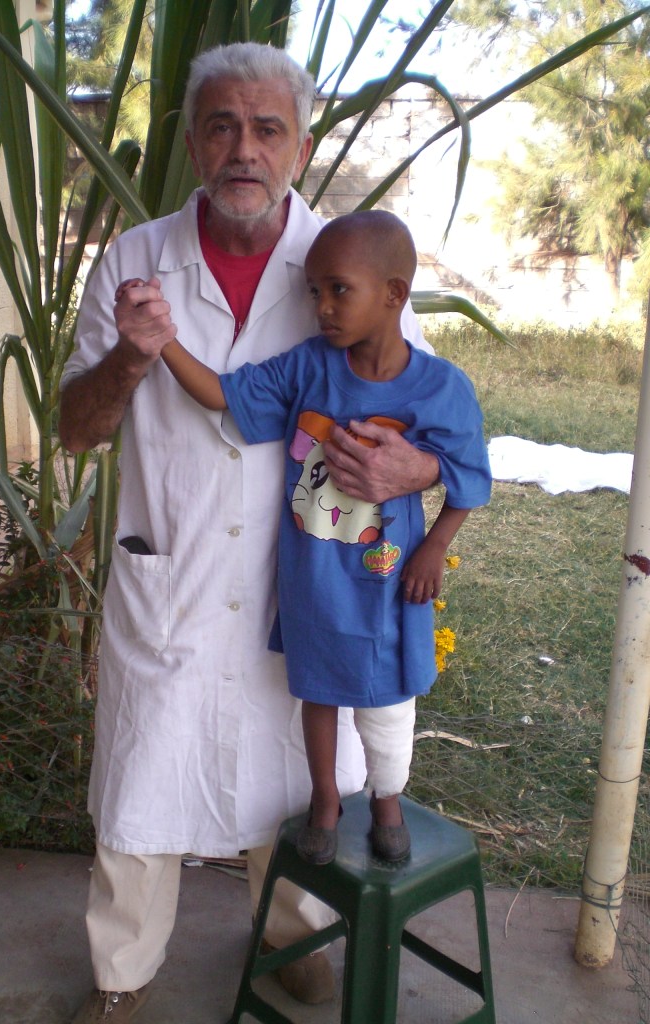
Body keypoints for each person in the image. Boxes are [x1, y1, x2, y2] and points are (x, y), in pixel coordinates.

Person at [59, 42, 440, 1024]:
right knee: (142, 778)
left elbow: (435, 415)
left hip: (308, 584)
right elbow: (76, 429)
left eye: (268, 129)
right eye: (222, 126)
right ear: (193, 143)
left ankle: (293, 936)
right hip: (174, 574)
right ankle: (121, 972)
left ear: (300, 148)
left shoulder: (348, 261)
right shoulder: (134, 261)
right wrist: (131, 361)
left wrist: (414, 470)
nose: (245, 149)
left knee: (298, 776)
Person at [143, 209, 491, 868]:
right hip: (315, 578)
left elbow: (470, 477)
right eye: (314, 291)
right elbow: (220, 394)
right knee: (319, 689)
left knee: (389, 699)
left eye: (339, 289)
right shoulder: (308, 369)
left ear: (393, 293)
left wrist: (435, 547)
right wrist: (162, 340)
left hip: (390, 581)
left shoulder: (440, 389)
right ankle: (326, 799)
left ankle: (387, 800)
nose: (322, 307)